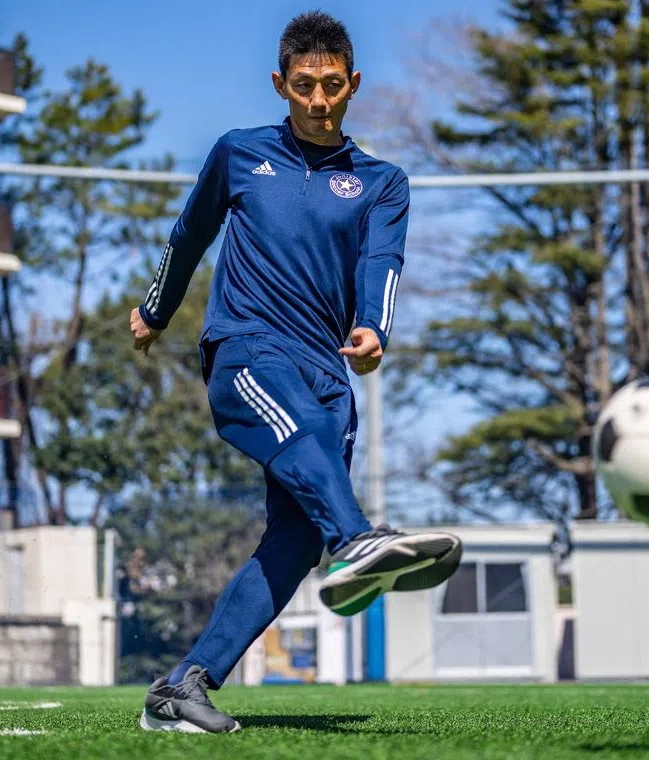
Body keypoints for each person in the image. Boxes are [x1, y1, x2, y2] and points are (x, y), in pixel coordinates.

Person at [129, 11, 462, 734]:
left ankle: (182, 687)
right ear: (281, 84)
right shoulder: (240, 153)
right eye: (304, 86)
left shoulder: (382, 182)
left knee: (291, 539)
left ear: (354, 86)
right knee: (307, 448)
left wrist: (375, 327)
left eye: (332, 86)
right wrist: (156, 311)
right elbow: (190, 232)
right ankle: (359, 539)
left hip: (328, 373)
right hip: (246, 352)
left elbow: (383, 263)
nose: (318, 100)